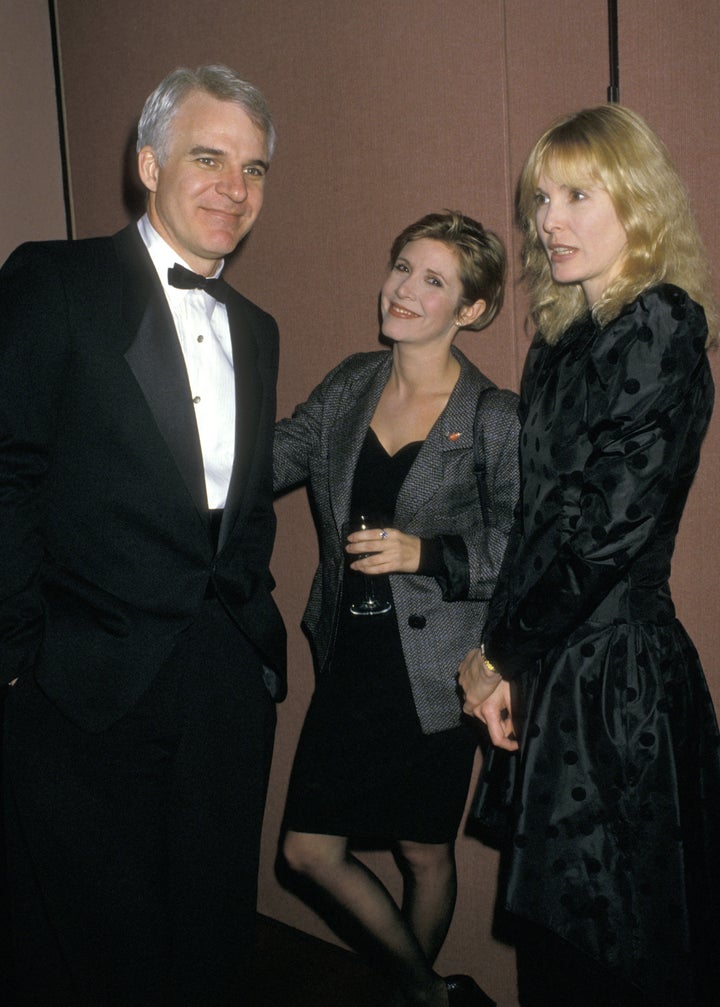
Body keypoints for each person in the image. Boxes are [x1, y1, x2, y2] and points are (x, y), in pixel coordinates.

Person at [0, 65, 286, 1005]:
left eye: (252, 167)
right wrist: (19, 666)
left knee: (212, 936)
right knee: (100, 948)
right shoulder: (55, 280)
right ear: (149, 160)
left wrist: (256, 651)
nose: (233, 187)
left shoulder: (259, 327)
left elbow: (238, 513)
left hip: (221, 683)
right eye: (210, 157)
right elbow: (7, 475)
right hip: (86, 684)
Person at [460, 105, 720, 1007]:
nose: (549, 220)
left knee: (619, 956)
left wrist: (502, 653)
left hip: (619, 679)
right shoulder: (562, 343)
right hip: (562, 666)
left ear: (638, 204)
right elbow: (538, 522)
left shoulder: (662, 323)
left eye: (578, 194)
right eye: (541, 198)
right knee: (562, 956)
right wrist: (504, 666)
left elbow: (603, 535)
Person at [274, 211, 519, 1007]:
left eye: (433, 280)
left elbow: (522, 549)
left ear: (471, 310)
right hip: (352, 658)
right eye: (401, 266)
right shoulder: (351, 382)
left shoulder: (492, 416)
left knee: (423, 850)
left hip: (436, 675)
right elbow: (275, 454)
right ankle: (428, 989)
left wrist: (425, 552)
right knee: (308, 850)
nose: (404, 289)